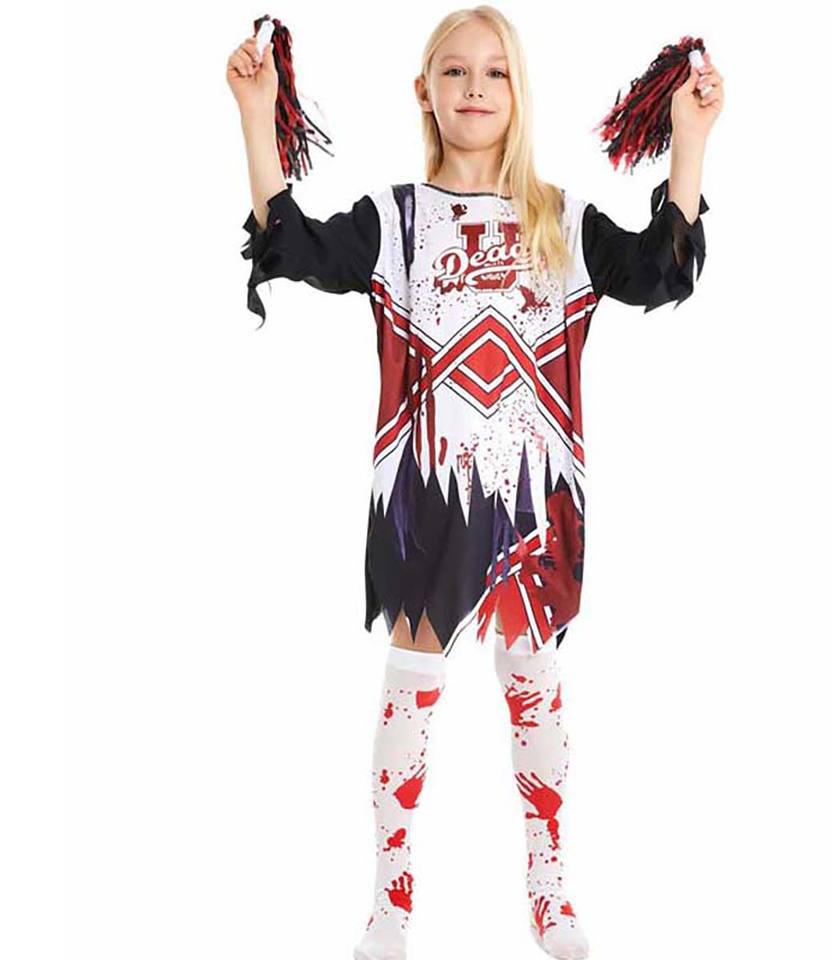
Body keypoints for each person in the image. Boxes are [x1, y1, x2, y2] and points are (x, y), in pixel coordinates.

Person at [226, 6, 722, 959]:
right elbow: (297, 247)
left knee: (534, 688)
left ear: (518, 91)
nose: (476, 88)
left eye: (495, 72)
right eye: (455, 72)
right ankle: (391, 900)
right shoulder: (395, 222)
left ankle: (550, 889)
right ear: (426, 92)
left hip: (536, 501)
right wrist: (258, 115)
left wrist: (690, 140)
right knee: (412, 686)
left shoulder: (564, 222)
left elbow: (661, 271)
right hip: (429, 500)